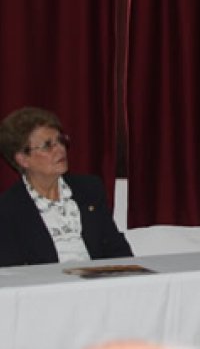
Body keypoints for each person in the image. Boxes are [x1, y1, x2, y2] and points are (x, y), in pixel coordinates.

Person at [0, 106, 132, 267]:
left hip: (99, 279)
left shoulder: (89, 189)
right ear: (23, 159)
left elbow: (116, 248)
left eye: (60, 141)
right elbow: (14, 272)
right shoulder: (8, 209)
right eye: (48, 146)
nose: (60, 149)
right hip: (50, 282)